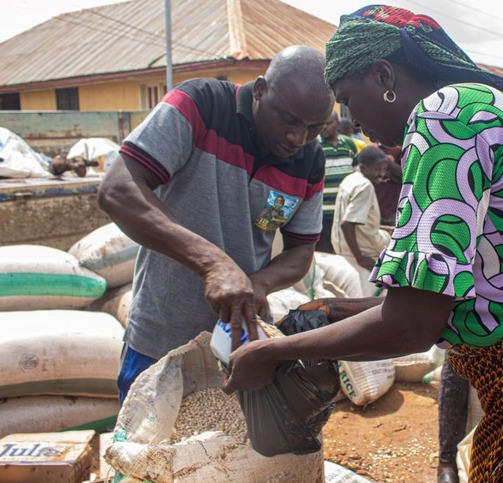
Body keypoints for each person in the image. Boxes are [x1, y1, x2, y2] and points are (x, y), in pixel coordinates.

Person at [224, 6, 503, 482]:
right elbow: (450, 296)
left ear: (383, 75)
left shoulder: (443, 116)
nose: (351, 119)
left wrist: (273, 353)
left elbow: (412, 325)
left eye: (347, 98)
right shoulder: (477, 105)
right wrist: (333, 310)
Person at [97, 45, 335, 404]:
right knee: (146, 453)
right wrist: (213, 264)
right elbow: (118, 188)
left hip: (238, 348)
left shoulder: (310, 160)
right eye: (289, 120)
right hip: (160, 338)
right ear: (259, 90)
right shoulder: (201, 105)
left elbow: (301, 251)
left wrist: (259, 283)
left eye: (314, 127)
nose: (297, 139)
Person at [332, 146, 391, 296]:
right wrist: (361, 259)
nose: (381, 174)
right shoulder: (365, 186)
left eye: (384, 169)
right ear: (364, 167)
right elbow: (347, 223)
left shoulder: (350, 179)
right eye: (377, 169)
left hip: (343, 249)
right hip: (362, 253)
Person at [317, 111, 360, 253]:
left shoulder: (349, 145)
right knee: (323, 254)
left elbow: (357, 175)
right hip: (322, 211)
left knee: (342, 252)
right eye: (321, 124)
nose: (324, 127)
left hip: (344, 212)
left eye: (328, 123)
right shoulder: (315, 146)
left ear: (338, 124)